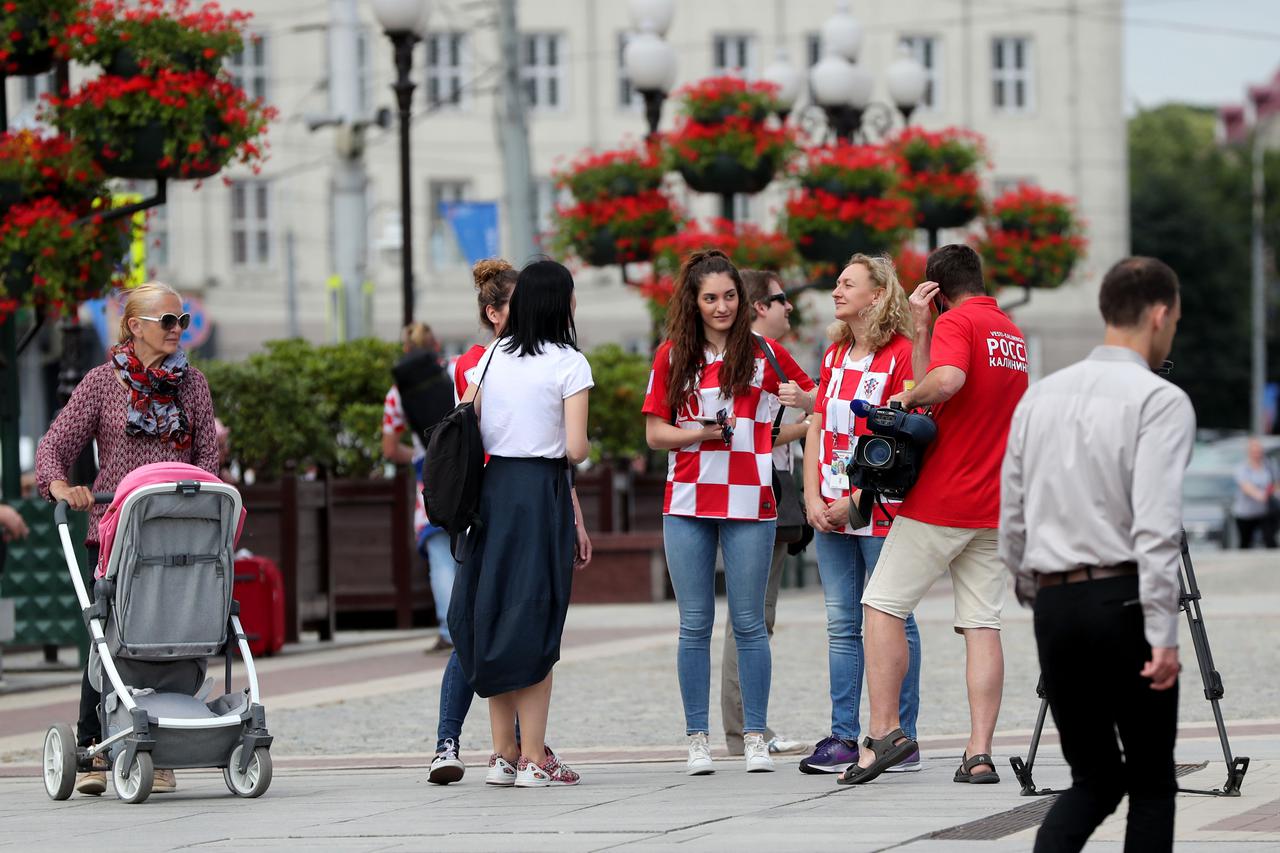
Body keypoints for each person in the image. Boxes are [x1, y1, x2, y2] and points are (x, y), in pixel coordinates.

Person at [1000, 256, 1190, 852]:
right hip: (1124, 599)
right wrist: (1163, 633)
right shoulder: (1159, 401)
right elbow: (1157, 527)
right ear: (1160, 314)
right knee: (1152, 784)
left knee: (1094, 779)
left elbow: (1012, 510)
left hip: (1056, 603)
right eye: (1174, 319)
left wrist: (1034, 589)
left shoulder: (1040, 396)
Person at [843, 244, 1028, 785]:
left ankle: (883, 734)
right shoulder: (1009, 332)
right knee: (982, 623)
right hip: (995, 504)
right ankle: (979, 754)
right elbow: (946, 395)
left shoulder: (961, 322)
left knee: (881, 606)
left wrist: (901, 398)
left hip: (945, 497)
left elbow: (944, 385)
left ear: (938, 291)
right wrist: (922, 332)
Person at [35, 281, 218, 797]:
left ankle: (157, 746)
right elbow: (54, 446)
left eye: (182, 320)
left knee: (171, 632)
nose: (178, 330)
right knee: (111, 638)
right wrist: (60, 486)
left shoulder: (194, 385)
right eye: (168, 321)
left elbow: (209, 458)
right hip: (114, 530)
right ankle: (93, 743)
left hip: (180, 529)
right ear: (135, 326)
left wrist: (202, 497)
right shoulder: (100, 383)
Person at [642, 249, 815, 776]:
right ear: (692, 302)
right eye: (710, 297)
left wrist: (799, 398)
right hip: (688, 501)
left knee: (749, 625)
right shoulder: (672, 356)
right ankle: (698, 739)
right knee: (694, 624)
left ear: (743, 300)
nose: (721, 306)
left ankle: (755, 736)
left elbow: (820, 395)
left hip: (750, 500)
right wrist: (698, 433)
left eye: (730, 296)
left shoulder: (764, 351)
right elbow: (654, 434)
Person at [448, 258, 593, 788]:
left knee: (492, 615)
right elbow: (575, 448)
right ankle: (535, 756)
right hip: (540, 495)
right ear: (561, 303)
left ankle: (502, 755)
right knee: (536, 618)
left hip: (492, 496)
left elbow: (471, 425)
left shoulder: (489, 357)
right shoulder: (568, 362)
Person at [800, 254, 923, 775]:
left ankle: (900, 736)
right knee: (841, 622)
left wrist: (856, 501)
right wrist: (810, 498)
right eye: (836, 281)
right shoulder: (833, 355)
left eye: (847, 283)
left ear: (877, 295)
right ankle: (845, 736)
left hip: (879, 508)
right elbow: (815, 426)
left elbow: (902, 436)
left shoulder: (901, 354)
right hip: (829, 507)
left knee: (893, 617)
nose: (836, 290)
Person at [427, 259, 516, 785]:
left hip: (521, 502)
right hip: (482, 508)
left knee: (519, 623)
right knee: (470, 628)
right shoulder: (474, 364)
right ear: (493, 312)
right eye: (517, 306)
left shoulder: (542, 357)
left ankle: (517, 745)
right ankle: (448, 741)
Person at [718, 268, 812, 759]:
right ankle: (746, 731)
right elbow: (768, 431)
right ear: (758, 306)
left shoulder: (745, 351)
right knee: (754, 616)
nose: (788, 308)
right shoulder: (763, 354)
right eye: (780, 299)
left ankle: (746, 728)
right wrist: (809, 427)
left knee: (746, 616)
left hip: (738, 488)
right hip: (761, 488)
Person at [381, 321, 454, 654]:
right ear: (435, 344)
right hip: (470, 469)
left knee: (441, 557)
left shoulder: (397, 395)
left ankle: (448, 630)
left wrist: (418, 456)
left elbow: (390, 449)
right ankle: (477, 627)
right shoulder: (455, 372)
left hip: (430, 476)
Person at [1232, 437, 1278, 549]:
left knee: (1270, 541)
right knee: (1245, 543)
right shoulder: (1242, 468)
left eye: (1259, 450)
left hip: (1264, 512)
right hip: (1246, 513)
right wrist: (1260, 495)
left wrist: (1273, 493)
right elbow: (1246, 487)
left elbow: (1275, 483)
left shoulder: (1269, 466)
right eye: (1254, 451)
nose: (1257, 453)